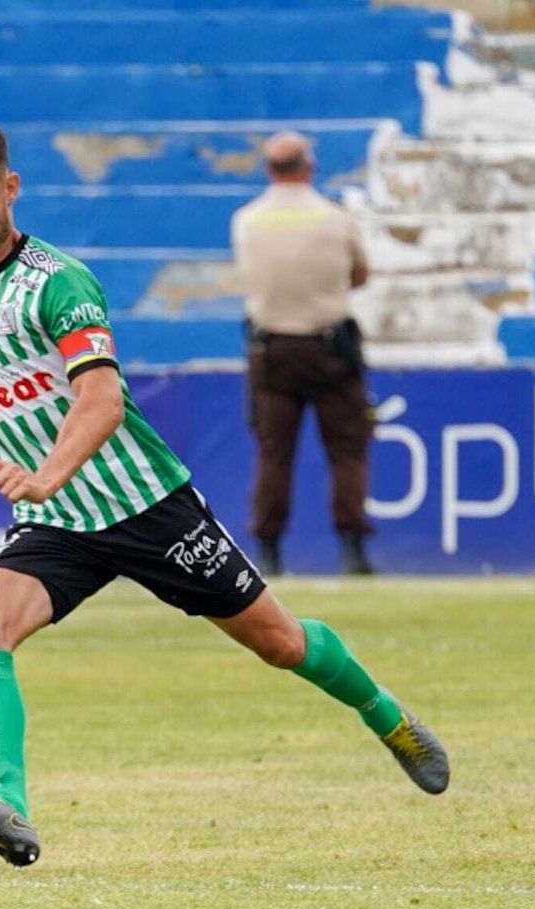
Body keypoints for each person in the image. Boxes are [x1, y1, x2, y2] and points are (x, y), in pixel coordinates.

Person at [0, 114, 446, 869]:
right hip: (59, 522)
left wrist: (46, 473)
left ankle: (388, 719)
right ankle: (8, 807)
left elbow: (102, 401)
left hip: (146, 506)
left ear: (11, 189)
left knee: (281, 644)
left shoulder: (58, 283)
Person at [231, 131, 376, 577]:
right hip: (328, 346)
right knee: (348, 449)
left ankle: (269, 550)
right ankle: (352, 548)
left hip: (271, 349)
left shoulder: (246, 220)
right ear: (308, 167)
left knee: (274, 453)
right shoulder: (335, 218)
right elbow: (360, 274)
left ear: (269, 170)